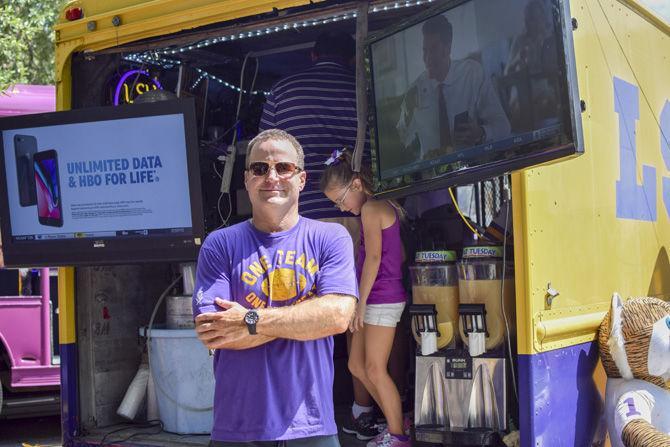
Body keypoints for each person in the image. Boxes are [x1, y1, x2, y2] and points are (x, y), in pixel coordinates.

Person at [192, 129, 358, 446]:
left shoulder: (330, 238)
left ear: (302, 179)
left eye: (283, 167)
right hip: (237, 428)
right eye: (260, 168)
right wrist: (307, 320)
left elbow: (337, 316)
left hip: (312, 427)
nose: (272, 177)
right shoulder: (220, 245)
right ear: (246, 179)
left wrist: (249, 320)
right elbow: (215, 331)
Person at [259, 31, 382, 440]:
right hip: (357, 214)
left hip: (304, 224)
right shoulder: (363, 89)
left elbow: (264, 152)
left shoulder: (281, 91)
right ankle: (363, 406)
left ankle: (308, 413)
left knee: (304, 313)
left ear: (312, 54)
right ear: (350, 58)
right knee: (357, 311)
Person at [320, 149, 410, 447]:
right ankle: (395, 420)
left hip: (381, 299)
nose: (342, 208)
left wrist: (360, 304)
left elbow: (373, 259)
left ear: (357, 185)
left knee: (373, 368)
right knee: (356, 366)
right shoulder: (377, 208)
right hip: (374, 298)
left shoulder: (372, 209)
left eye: (341, 199)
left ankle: (398, 435)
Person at [396, 13, 511, 161]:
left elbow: (504, 126)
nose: (428, 58)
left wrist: (481, 132)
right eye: (425, 50)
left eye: (434, 49)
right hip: (431, 174)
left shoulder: (472, 74)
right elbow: (401, 141)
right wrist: (408, 112)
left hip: (470, 167)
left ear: (448, 47)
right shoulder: (415, 90)